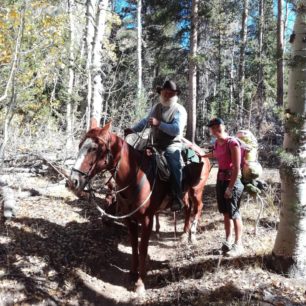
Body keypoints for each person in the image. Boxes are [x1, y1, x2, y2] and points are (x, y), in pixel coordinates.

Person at [124, 80, 187, 212]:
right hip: (155, 142)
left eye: (170, 93)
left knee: (173, 164)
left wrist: (159, 124)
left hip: (172, 143)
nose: (167, 95)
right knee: (134, 157)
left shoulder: (179, 110)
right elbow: (145, 121)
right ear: (161, 92)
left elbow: (176, 129)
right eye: (165, 92)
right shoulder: (156, 107)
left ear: (175, 95)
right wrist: (133, 129)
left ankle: (176, 197)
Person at [204, 118, 244, 256]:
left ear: (222, 127)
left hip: (232, 182)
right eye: (212, 127)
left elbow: (237, 167)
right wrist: (202, 155)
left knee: (234, 213)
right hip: (220, 181)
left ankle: (238, 244)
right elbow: (216, 154)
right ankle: (228, 241)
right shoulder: (217, 143)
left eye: (216, 126)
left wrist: (230, 187)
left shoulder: (232, 143)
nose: (215, 129)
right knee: (226, 213)